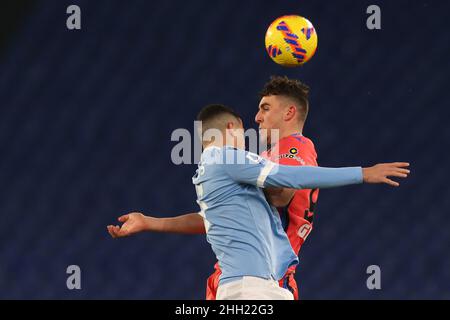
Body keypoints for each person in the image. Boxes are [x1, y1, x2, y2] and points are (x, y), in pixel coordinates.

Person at [108, 104, 409, 300]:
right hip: (249, 290)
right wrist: (363, 173)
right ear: (232, 128)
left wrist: (150, 222)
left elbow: (206, 222)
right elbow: (292, 177)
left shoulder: (211, 170)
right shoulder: (227, 157)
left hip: (254, 287)